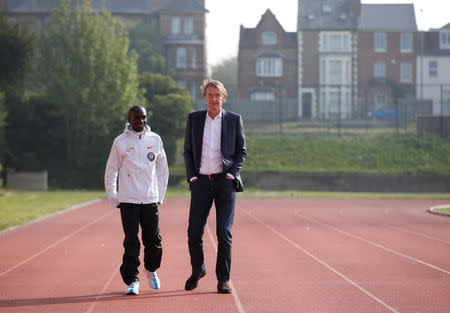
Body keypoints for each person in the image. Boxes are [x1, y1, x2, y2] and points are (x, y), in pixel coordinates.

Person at [183, 78, 246, 294]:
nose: (214, 99)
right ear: (204, 97)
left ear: (224, 98)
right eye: (210, 95)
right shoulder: (194, 119)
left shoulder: (234, 120)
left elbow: (241, 152)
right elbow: (188, 151)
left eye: (217, 95)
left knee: (224, 233)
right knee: (193, 232)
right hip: (200, 182)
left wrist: (231, 174)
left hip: (224, 182)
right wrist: (192, 176)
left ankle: (223, 280)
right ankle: (198, 269)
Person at [104, 105, 169, 295]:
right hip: (129, 200)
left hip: (150, 199)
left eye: (144, 118)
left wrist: (160, 196)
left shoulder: (155, 140)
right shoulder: (120, 141)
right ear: (129, 120)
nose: (141, 121)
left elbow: (163, 170)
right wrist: (114, 196)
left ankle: (150, 270)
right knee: (131, 241)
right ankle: (132, 280)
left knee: (154, 240)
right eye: (137, 118)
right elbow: (111, 170)